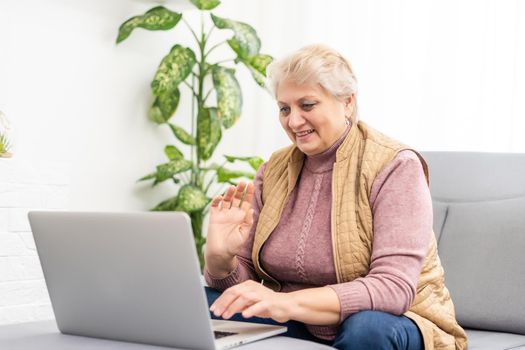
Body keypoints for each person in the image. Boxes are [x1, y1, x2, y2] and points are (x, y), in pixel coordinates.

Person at [203, 44, 467, 350]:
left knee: (366, 328)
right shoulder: (273, 170)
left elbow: (393, 288)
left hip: (400, 320)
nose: (293, 121)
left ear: (347, 102)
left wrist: (285, 303)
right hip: (299, 321)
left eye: (308, 105)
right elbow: (245, 289)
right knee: (204, 305)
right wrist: (221, 260)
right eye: (284, 108)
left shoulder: (396, 166)